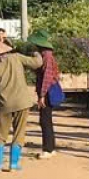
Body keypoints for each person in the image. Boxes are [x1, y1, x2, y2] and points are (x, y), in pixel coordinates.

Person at [0, 38, 42, 172]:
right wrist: (37, 54)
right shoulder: (16, 57)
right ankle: (14, 165)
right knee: (19, 133)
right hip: (22, 102)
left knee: (0, 135)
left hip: (5, 105)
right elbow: (37, 63)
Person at [29, 31, 62, 159]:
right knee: (46, 120)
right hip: (46, 91)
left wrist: (42, 95)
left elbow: (47, 78)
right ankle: (51, 147)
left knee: (44, 120)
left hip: (47, 92)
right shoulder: (45, 55)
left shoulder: (47, 56)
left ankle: (48, 149)